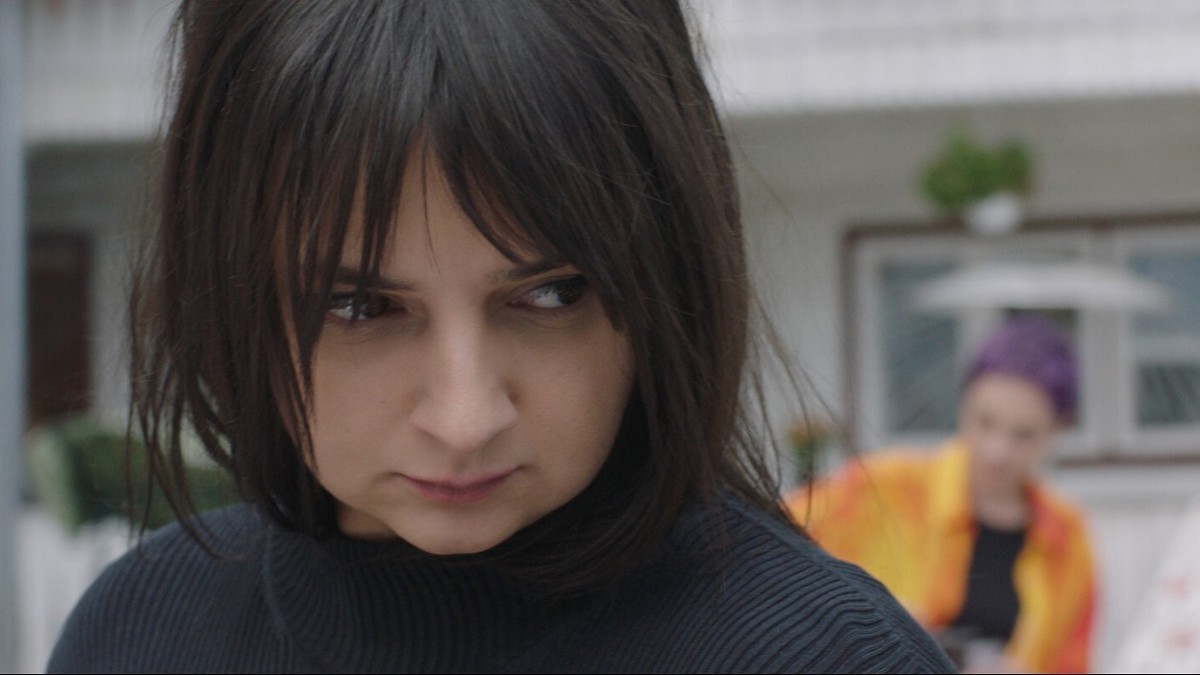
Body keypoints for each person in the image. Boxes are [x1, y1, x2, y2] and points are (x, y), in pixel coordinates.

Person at [46, 1, 955, 673]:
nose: (466, 416)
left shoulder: (825, 657)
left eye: (550, 294)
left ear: (665, 276)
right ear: (227, 289)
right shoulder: (137, 633)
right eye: (360, 306)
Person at [786, 315, 1096, 674]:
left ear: (1058, 429)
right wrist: (870, 616)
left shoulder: (1067, 537)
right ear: (964, 403)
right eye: (985, 422)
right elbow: (771, 541)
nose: (997, 451)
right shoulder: (884, 488)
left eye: (1023, 434)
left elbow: (1073, 665)